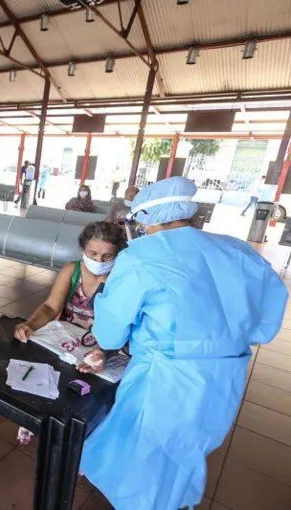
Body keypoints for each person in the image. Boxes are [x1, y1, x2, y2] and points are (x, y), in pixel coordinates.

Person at [76, 177, 287, 510]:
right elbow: (265, 323)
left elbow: (110, 335)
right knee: (187, 450)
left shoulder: (142, 258)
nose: (138, 229)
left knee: (148, 461)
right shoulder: (238, 250)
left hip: (166, 380)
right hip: (224, 377)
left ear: (149, 218)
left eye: (139, 222)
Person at [13, 221, 127, 341]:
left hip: (103, 344)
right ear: (84, 249)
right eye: (93, 253)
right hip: (67, 337)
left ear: (118, 254)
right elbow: (50, 307)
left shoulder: (122, 278)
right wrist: (30, 324)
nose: (99, 260)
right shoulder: (72, 271)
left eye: (107, 256)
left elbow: (122, 322)